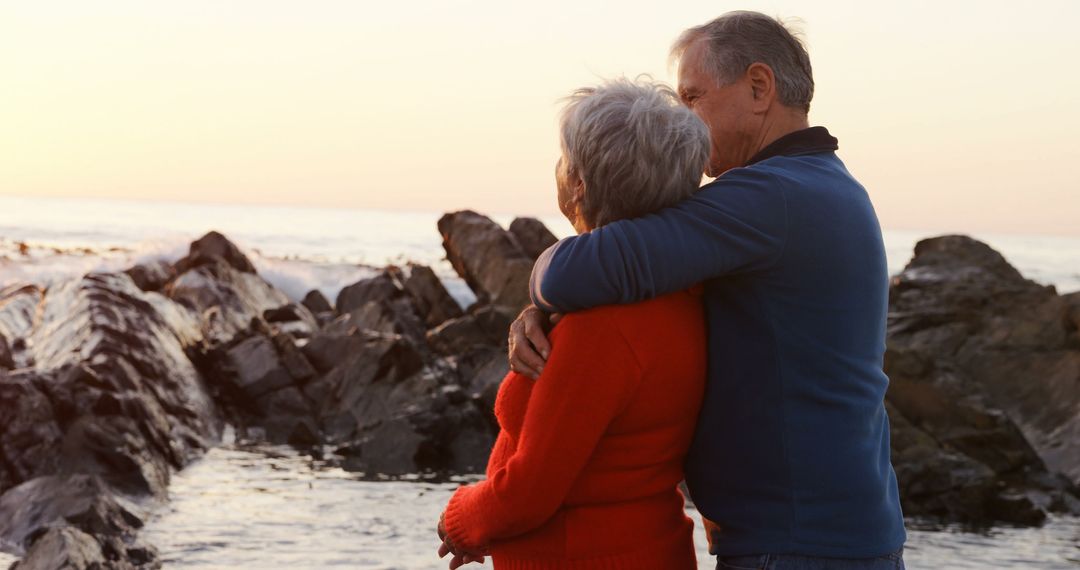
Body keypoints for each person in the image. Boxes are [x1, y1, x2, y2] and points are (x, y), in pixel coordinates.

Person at [509, 11, 907, 570]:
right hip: (828, 530)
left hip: (797, 543)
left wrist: (540, 293)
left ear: (759, 87)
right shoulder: (823, 183)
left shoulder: (771, 195)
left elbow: (578, 269)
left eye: (692, 96)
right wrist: (542, 309)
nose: (682, 117)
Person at [436, 77, 711, 569]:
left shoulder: (603, 328)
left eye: (564, 158)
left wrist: (459, 519)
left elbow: (530, 491)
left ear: (579, 183)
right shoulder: (685, 296)